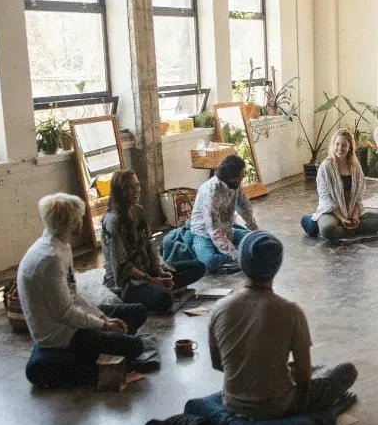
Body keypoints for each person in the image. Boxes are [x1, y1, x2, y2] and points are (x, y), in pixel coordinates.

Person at [209, 231, 357, 419]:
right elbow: (303, 379)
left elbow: (217, 364)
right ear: (277, 266)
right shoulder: (291, 312)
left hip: (231, 402)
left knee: (305, 368)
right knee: (345, 370)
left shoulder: (219, 308)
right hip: (279, 405)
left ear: (242, 263)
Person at [18, 193, 148, 367]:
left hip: (69, 318)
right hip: (60, 334)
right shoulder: (50, 259)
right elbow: (66, 313)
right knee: (136, 346)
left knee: (138, 311)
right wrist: (103, 325)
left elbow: (74, 294)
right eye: (79, 217)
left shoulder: (60, 245)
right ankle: (107, 347)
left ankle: (109, 343)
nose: (82, 220)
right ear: (70, 223)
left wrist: (102, 317)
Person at [102, 169, 205, 313]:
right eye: (131, 187)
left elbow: (150, 245)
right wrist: (152, 280)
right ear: (120, 191)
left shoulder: (139, 211)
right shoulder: (113, 221)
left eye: (137, 186)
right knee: (165, 299)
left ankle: (161, 288)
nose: (137, 191)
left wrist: (159, 271)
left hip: (149, 272)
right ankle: (160, 291)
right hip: (128, 283)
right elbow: (122, 268)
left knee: (198, 266)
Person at [305, 129, 378, 242]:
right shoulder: (325, 166)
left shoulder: (355, 167)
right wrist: (341, 218)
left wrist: (355, 217)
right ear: (333, 145)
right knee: (327, 229)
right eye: (337, 144)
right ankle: (338, 228)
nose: (340, 148)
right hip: (332, 212)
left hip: (351, 212)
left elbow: (358, 198)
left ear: (350, 147)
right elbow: (325, 197)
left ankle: (345, 230)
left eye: (344, 145)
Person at [189, 154, 259, 271]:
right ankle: (200, 249)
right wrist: (234, 254)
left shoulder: (236, 185)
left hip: (228, 230)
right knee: (209, 261)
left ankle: (232, 254)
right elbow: (214, 229)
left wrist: (256, 233)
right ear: (232, 177)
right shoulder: (210, 192)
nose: (243, 177)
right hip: (204, 234)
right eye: (241, 175)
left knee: (260, 242)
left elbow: (245, 208)